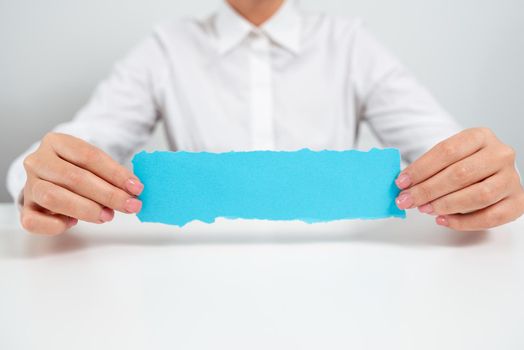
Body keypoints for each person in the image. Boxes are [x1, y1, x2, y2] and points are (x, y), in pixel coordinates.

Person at [6, 0, 523, 235]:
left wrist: (483, 178)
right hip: (189, 292)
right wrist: (37, 176)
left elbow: (446, 148)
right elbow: (81, 141)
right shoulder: (165, 48)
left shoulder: (350, 43)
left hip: (346, 288)